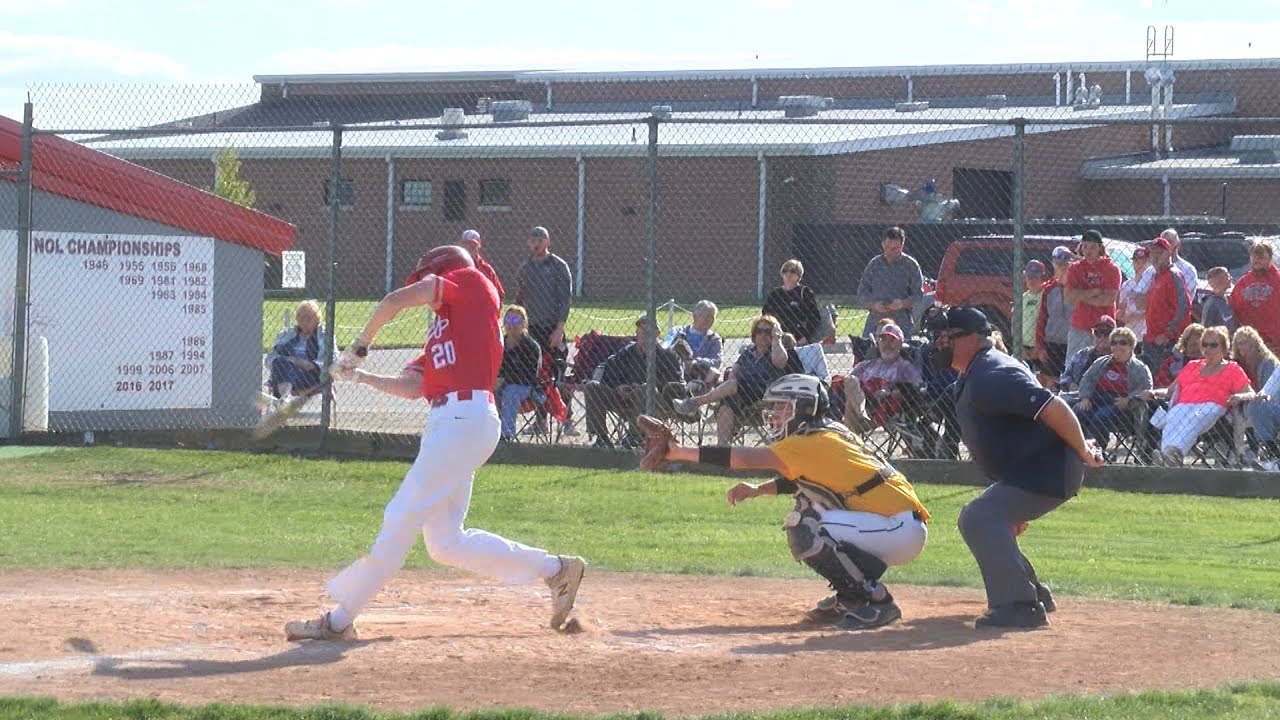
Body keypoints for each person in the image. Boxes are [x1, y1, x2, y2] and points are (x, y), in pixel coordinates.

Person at [284, 245, 587, 641]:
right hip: (453, 425)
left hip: (465, 420)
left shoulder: (474, 286)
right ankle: (556, 570)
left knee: (400, 515)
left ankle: (339, 620)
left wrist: (360, 344)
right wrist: (357, 375)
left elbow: (395, 301)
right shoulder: (449, 329)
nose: (427, 294)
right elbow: (414, 387)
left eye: (429, 280)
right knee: (446, 543)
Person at [640, 373, 930, 631]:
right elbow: (803, 479)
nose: (774, 414)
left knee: (805, 524)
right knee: (810, 507)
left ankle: (875, 600)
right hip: (895, 525)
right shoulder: (826, 434)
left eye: (783, 406)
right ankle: (850, 596)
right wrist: (759, 490)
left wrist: (676, 452)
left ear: (804, 408)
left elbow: (742, 459)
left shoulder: (809, 441)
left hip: (896, 528)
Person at [930, 305, 1104, 628]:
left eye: (944, 337)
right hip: (1033, 470)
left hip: (1049, 469)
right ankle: (1033, 592)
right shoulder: (975, 374)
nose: (938, 344)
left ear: (970, 339)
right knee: (987, 516)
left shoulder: (991, 373)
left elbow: (1053, 407)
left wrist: (1083, 450)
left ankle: (1020, 605)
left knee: (978, 517)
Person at [672, 314, 791, 445]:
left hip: (765, 394)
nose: (762, 335)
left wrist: (777, 339)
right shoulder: (748, 353)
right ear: (754, 334)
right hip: (742, 394)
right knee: (727, 403)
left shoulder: (776, 351)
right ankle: (722, 448)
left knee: (733, 385)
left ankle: (695, 402)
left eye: (767, 331)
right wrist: (730, 381)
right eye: (759, 331)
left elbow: (780, 362)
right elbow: (734, 371)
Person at [1142, 325, 1250, 467]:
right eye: (1204, 344)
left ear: (1224, 348)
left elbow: (1249, 393)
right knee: (1173, 416)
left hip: (1212, 405)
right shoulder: (1192, 365)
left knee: (1195, 417)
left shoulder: (1232, 368)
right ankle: (1167, 456)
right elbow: (1170, 391)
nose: (1207, 349)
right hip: (1184, 404)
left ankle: (1174, 455)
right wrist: (1154, 392)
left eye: (1213, 345)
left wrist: (1238, 397)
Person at [583, 315, 683, 448]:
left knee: (645, 389)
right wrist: (618, 387)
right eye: (640, 332)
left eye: (646, 332)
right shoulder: (627, 352)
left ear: (657, 334)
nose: (642, 336)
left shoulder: (667, 356)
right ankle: (601, 437)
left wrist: (641, 388)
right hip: (624, 399)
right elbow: (608, 372)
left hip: (654, 402)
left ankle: (633, 437)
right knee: (592, 387)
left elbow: (674, 384)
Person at [1072, 327, 1152, 453]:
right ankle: (1076, 449)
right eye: (1114, 343)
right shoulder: (1101, 362)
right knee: (1079, 411)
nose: (1117, 346)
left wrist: (1128, 400)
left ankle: (1096, 451)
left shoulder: (1140, 368)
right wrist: (1085, 397)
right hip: (1096, 398)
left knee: (1101, 417)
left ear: (1131, 346)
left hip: (1118, 402)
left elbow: (1146, 390)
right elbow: (1087, 379)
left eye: (1123, 342)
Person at [842, 321, 924, 432]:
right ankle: (861, 415)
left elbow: (919, 386)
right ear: (878, 343)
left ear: (900, 343)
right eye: (883, 340)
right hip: (862, 401)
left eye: (892, 340)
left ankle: (851, 434)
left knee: (850, 403)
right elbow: (847, 383)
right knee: (850, 381)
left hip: (881, 405)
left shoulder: (905, 367)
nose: (887, 344)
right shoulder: (866, 364)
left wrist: (893, 392)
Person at [1063, 229, 1122, 362]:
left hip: (1104, 329)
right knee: (1073, 366)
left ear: (1100, 248)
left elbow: (1107, 300)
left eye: (1092, 247)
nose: (1088, 251)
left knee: (1104, 365)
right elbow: (1068, 296)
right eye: (1084, 246)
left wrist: (1080, 295)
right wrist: (1093, 292)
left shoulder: (1111, 268)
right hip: (1080, 326)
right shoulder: (1075, 268)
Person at [263, 299, 336, 404]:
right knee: (282, 363)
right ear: (297, 318)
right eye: (301, 317)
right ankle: (284, 399)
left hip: (311, 376)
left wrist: (306, 364)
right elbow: (270, 358)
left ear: (317, 319)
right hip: (286, 373)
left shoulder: (324, 336)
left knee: (284, 368)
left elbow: (333, 359)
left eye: (309, 318)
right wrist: (287, 361)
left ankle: (282, 401)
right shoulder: (286, 334)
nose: (305, 321)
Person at [857, 226, 924, 339]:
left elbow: (918, 295)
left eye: (895, 248)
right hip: (875, 321)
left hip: (901, 322)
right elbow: (862, 293)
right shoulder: (874, 265)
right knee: (866, 350)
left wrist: (902, 303)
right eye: (888, 247)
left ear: (902, 246)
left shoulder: (911, 265)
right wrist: (874, 304)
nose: (891, 252)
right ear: (882, 244)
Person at [1141, 236, 1192, 375]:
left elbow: (1184, 306)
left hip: (1168, 342)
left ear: (1169, 253)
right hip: (1153, 339)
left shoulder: (1174, 275)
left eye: (1159, 253)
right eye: (1152, 253)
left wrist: (1167, 334)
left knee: (1165, 378)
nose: (1155, 257)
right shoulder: (1156, 276)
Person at [496, 305, 542, 442]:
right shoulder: (500, 343)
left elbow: (530, 375)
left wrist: (504, 380)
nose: (511, 324)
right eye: (508, 319)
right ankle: (489, 434)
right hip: (502, 384)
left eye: (516, 320)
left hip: (527, 388)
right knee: (485, 392)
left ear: (524, 323)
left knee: (511, 391)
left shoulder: (531, 346)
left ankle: (506, 436)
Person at [1236, 326, 1280, 469]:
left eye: (1246, 342)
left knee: (1252, 408)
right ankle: (1270, 455)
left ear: (1256, 343)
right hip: (1265, 406)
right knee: (1254, 406)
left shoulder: (1267, 363)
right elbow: (1269, 387)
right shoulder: (1240, 364)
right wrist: (1262, 394)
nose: (1242, 346)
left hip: (1274, 405)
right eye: (1239, 342)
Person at [1033, 246, 1075, 388]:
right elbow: (1041, 319)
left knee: (1069, 380)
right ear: (1053, 263)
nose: (1063, 267)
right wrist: (1040, 346)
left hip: (1072, 341)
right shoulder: (1048, 289)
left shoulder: (1077, 288)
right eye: (1059, 263)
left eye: (1066, 263)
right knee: (1050, 380)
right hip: (1052, 341)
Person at [1229, 241, 1280, 351]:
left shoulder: (1278, 280)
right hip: (1249, 342)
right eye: (1254, 256)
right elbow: (1234, 311)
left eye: (1261, 257)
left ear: (1270, 258)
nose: (1257, 260)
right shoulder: (1243, 283)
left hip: (1275, 343)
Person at [670, 299, 725, 392]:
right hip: (676, 370)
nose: (710, 320)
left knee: (711, 372)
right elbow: (664, 346)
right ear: (695, 316)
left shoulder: (714, 339)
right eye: (707, 317)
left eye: (712, 317)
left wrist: (696, 361)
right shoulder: (678, 331)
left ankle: (688, 393)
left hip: (699, 375)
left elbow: (717, 361)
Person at [1134, 228, 1197, 308]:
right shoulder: (1150, 271)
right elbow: (1138, 301)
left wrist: (1152, 297)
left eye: (1170, 241)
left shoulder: (1188, 269)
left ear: (1178, 244)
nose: (1166, 245)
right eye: (1162, 242)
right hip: (1152, 317)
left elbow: (1181, 300)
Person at [764, 259, 822, 345]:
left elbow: (814, 318)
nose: (788, 274)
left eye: (792, 271)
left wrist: (806, 337)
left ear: (799, 275)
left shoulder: (805, 292)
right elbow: (766, 316)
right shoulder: (775, 294)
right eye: (785, 271)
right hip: (778, 337)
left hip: (799, 338)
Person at [1059, 315, 1116, 393]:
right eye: (1098, 332)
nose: (1102, 337)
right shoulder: (1083, 354)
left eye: (1107, 333)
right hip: (1076, 395)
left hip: (1103, 399)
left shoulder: (1118, 357)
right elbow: (1065, 376)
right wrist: (1070, 385)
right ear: (1093, 334)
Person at [458, 229, 504, 302]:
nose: (468, 248)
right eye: (465, 245)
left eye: (472, 245)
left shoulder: (485, 268)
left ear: (478, 246)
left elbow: (499, 294)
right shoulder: (455, 266)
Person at [1116, 246, 1150, 341]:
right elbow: (1122, 307)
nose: (1139, 264)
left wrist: (1138, 317)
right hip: (1130, 332)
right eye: (1136, 261)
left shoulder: (1153, 283)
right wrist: (1121, 316)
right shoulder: (1127, 284)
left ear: (1149, 263)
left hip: (1146, 330)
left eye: (1143, 262)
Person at [1018, 260, 1046, 359]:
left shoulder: (1045, 295)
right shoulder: (1023, 298)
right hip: (1023, 346)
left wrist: (1040, 347)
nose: (1031, 281)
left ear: (1042, 278)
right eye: (1029, 277)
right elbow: (1016, 322)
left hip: (1039, 345)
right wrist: (1019, 345)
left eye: (1035, 277)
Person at [1199, 266, 1236, 333]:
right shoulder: (1212, 304)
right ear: (1218, 280)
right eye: (1227, 276)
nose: (1231, 278)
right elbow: (1207, 329)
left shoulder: (1228, 300)